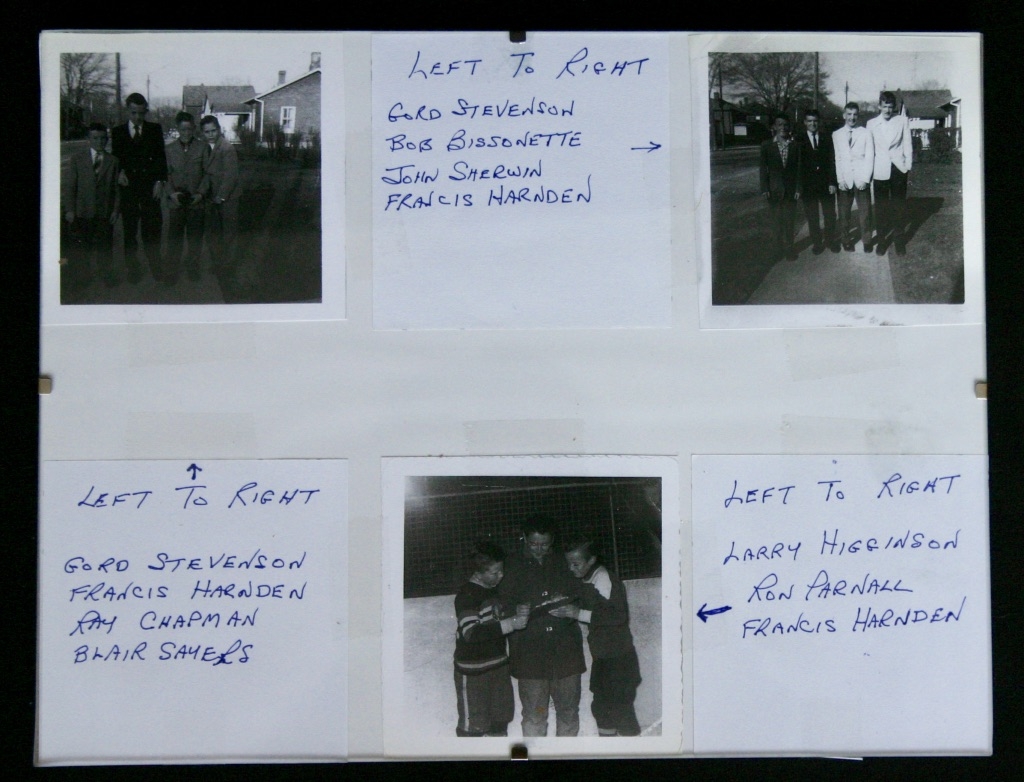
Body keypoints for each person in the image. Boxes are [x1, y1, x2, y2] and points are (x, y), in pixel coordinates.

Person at [498, 515, 585, 737]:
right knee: (535, 715)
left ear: (553, 540)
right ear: (524, 538)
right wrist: (515, 610)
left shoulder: (565, 560)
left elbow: (583, 591)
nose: (539, 549)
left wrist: (570, 603)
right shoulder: (509, 565)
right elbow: (499, 604)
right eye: (533, 544)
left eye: (545, 545)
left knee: (568, 712)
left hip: (566, 652)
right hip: (530, 655)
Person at [557, 539, 642, 737]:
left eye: (575, 564)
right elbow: (587, 602)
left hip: (619, 658)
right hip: (603, 657)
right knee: (602, 708)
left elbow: (617, 615)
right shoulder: (586, 579)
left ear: (592, 560)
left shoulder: (603, 578)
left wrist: (577, 613)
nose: (571, 568)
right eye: (568, 563)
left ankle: (635, 747)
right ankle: (608, 746)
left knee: (620, 710)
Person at [453, 541, 525, 737]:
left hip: (498, 667)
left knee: (500, 720)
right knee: (474, 726)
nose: (501, 576)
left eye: (502, 570)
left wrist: (515, 613)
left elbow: (495, 621)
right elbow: (471, 633)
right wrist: (510, 623)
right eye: (495, 573)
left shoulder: (492, 590)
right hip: (474, 672)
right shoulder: (467, 596)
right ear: (477, 573)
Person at [110, 93, 167, 283]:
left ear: (145, 111)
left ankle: (155, 266)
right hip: (129, 189)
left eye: (141, 113)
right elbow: (116, 159)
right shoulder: (118, 132)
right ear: (128, 110)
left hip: (150, 188)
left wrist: (160, 181)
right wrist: (119, 172)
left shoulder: (154, 129)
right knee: (130, 231)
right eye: (134, 113)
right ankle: (133, 268)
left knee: (152, 230)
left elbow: (160, 158)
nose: (137, 117)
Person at [62, 123, 121, 291]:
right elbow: (71, 186)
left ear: (107, 139)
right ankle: (83, 277)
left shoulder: (113, 161)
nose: (99, 141)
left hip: (104, 212)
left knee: (105, 247)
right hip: (82, 211)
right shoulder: (77, 159)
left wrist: (115, 210)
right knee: (82, 247)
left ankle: (106, 274)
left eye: (103, 138)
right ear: (89, 139)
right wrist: (70, 209)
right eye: (95, 138)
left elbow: (116, 189)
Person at [163, 112, 207, 285]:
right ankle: (171, 271)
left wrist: (201, 193)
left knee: (195, 238)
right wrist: (171, 194)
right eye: (183, 129)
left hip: (196, 201)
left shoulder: (203, 147)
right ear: (178, 129)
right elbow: (165, 175)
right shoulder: (169, 149)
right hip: (176, 201)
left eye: (189, 129)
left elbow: (208, 174)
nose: (186, 132)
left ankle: (193, 268)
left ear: (194, 128)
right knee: (174, 239)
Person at [867, 91, 913, 255]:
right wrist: (869, 172)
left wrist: (907, 166)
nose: (887, 110)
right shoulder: (871, 124)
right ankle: (882, 241)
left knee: (898, 207)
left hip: (898, 169)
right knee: (881, 208)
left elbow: (907, 143)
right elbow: (870, 150)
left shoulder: (902, 121)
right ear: (879, 106)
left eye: (890, 107)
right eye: (885, 106)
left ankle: (899, 241)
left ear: (894, 108)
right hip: (880, 170)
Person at [200, 115, 241, 294]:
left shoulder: (227, 148)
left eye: (213, 130)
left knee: (228, 233)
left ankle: (228, 266)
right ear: (202, 133)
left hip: (228, 197)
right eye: (207, 132)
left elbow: (231, 175)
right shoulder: (206, 147)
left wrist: (221, 197)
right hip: (213, 196)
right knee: (216, 232)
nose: (211, 134)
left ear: (219, 129)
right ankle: (219, 263)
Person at [832, 102, 875, 253]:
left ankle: (867, 240)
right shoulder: (836, 134)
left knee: (865, 213)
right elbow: (837, 158)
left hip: (861, 179)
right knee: (844, 214)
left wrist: (865, 179)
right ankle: (846, 240)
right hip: (845, 179)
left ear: (858, 116)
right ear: (844, 115)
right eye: (849, 114)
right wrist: (840, 179)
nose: (852, 117)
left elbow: (870, 157)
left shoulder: (866, 133)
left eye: (855, 114)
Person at [795, 109, 838, 254]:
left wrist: (832, 182)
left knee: (830, 215)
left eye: (815, 121)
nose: (812, 124)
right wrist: (799, 187)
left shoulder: (827, 138)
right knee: (812, 217)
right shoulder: (798, 140)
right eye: (809, 121)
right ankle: (817, 243)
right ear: (805, 122)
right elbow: (797, 165)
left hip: (826, 184)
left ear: (819, 122)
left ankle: (830, 240)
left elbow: (832, 161)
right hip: (808, 186)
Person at [759, 117, 802, 261]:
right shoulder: (766, 145)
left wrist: (798, 188)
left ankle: (789, 249)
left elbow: (799, 168)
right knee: (776, 223)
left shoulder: (795, 146)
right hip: (774, 190)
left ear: (789, 127)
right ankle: (777, 250)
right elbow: (763, 169)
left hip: (791, 191)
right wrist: (765, 188)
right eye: (779, 124)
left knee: (789, 222)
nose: (783, 127)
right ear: (774, 127)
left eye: (785, 124)